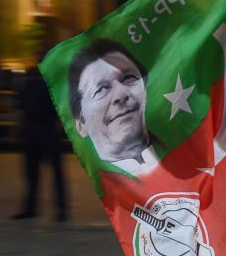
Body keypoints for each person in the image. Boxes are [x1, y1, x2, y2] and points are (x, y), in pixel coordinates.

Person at [67, 39, 158, 175]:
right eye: (100, 89)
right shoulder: (106, 187)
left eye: (128, 78)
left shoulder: (183, 153)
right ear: (81, 123)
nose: (120, 94)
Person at [11, 41, 68, 221]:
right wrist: (18, 125)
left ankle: (61, 210)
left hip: (48, 127)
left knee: (56, 171)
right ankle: (30, 208)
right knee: (30, 171)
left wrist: (60, 124)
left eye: (43, 53)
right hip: (31, 127)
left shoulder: (55, 76)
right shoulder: (30, 75)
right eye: (39, 54)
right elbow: (20, 102)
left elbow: (63, 103)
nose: (40, 57)